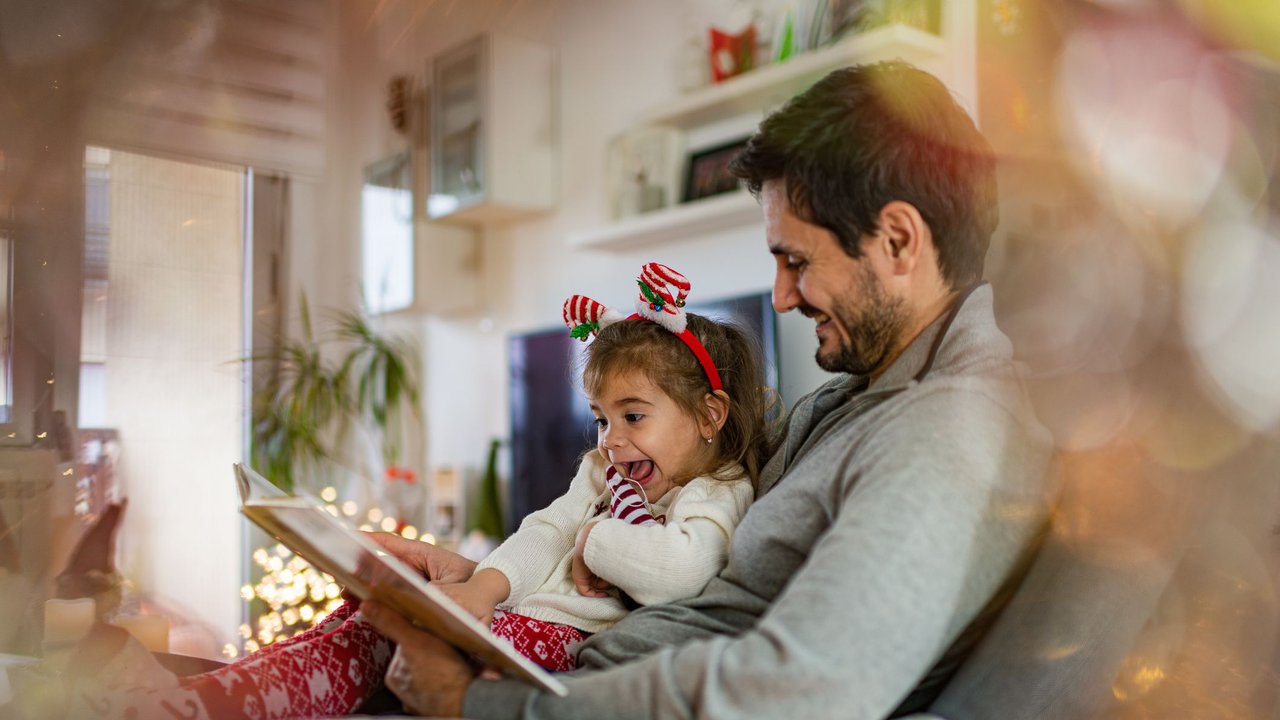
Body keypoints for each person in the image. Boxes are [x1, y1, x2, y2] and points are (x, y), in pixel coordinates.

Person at [359, 59, 1056, 720]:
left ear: (899, 241)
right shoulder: (851, 403)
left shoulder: (947, 432)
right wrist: (482, 578)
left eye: (796, 261)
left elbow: (792, 691)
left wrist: (480, 706)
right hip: (566, 670)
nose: (782, 298)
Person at [55, 263, 768, 719]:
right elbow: (545, 530)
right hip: (518, 616)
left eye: (633, 417)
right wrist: (486, 589)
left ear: (710, 414)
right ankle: (193, 695)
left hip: (558, 646)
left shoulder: (718, 490)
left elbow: (681, 572)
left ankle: (202, 709)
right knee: (361, 610)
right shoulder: (604, 470)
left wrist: (597, 537)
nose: (611, 439)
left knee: (378, 638)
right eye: (603, 419)